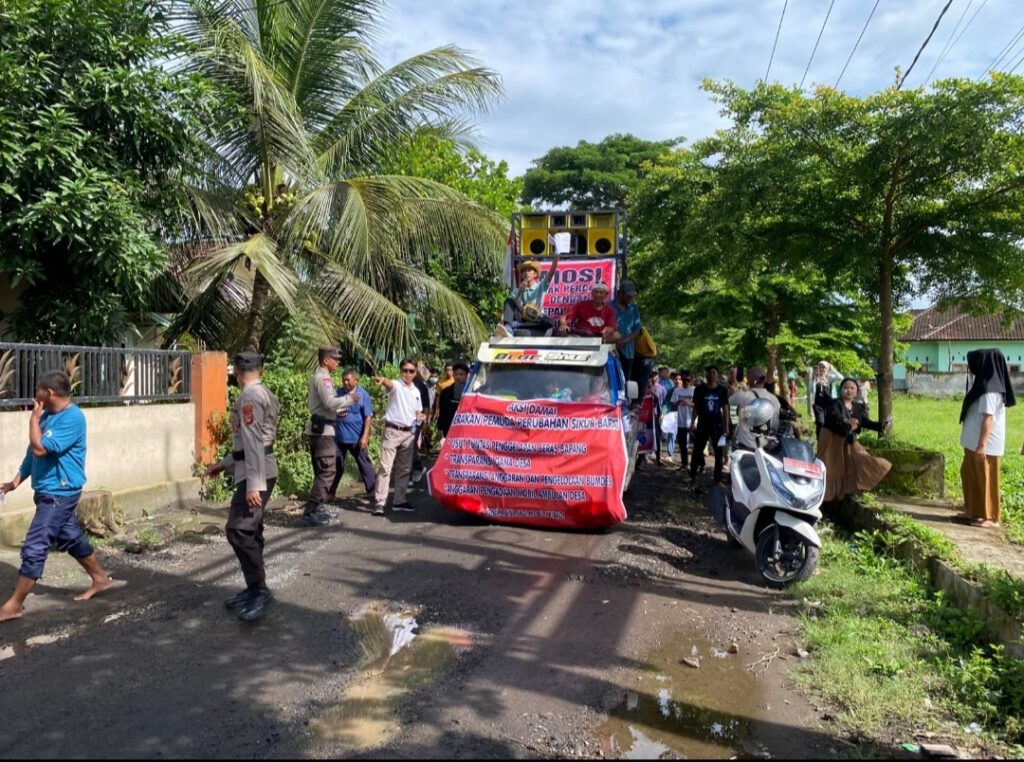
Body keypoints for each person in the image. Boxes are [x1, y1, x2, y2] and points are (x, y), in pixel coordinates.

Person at [0, 370, 115, 623]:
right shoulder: (48, 416)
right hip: (47, 493)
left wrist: (31, 418)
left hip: (59, 494)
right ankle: (101, 579)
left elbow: (41, 449)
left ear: (49, 393)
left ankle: (14, 605)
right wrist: (14, 482)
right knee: (71, 538)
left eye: (38, 390)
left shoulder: (72, 418)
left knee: (35, 545)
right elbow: (32, 454)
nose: (35, 395)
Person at [206, 352, 279, 622]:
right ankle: (253, 588)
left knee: (239, 530)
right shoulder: (262, 393)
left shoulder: (249, 398)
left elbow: (254, 444)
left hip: (255, 473)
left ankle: (259, 590)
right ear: (260, 369)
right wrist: (224, 464)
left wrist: (253, 485)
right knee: (251, 529)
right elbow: (249, 443)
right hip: (256, 469)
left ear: (235, 371)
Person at [956, 349, 1017, 527]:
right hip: (973, 443)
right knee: (970, 476)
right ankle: (973, 511)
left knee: (985, 479)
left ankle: (990, 517)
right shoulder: (983, 386)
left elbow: (988, 418)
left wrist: (982, 445)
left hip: (984, 445)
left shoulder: (990, 390)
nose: (970, 366)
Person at [305, 348, 359, 526]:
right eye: (335, 359)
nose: (338, 362)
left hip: (322, 428)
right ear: (326, 360)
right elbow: (329, 402)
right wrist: (350, 399)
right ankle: (310, 511)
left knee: (322, 470)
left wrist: (337, 412)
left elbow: (325, 405)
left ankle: (317, 508)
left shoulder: (321, 376)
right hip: (323, 432)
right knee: (328, 471)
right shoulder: (323, 378)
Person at [818, 378, 892, 502]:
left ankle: (842, 493)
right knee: (830, 466)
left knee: (855, 459)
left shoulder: (858, 407)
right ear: (841, 390)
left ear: (856, 391)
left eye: (852, 388)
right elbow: (833, 416)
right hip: (831, 438)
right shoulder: (835, 403)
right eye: (846, 388)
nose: (849, 390)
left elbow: (865, 422)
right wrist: (846, 421)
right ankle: (823, 497)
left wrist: (880, 426)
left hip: (847, 438)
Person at [373, 360, 425, 516]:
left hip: (409, 433)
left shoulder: (416, 391)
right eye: (405, 370)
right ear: (400, 371)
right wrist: (382, 380)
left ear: (415, 373)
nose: (408, 374)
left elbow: (418, 412)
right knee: (385, 467)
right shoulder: (396, 385)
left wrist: (421, 416)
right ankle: (380, 502)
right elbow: (389, 384)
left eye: (411, 371)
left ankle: (399, 500)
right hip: (393, 431)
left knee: (404, 469)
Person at [327, 369, 377, 503]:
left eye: (348, 380)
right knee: (336, 465)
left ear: (356, 380)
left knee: (364, 464)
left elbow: (368, 417)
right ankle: (330, 493)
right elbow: (331, 409)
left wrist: (365, 436)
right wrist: (337, 413)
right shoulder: (339, 393)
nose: (345, 382)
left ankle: (372, 491)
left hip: (357, 438)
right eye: (344, 380)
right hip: (339, 438)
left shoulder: (363, 394)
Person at [498, 253, 560, 337]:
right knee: (509, 301)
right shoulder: (517, 291)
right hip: (523, 320)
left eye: (529, 270)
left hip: (537, 320)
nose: (526, 273)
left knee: (548, 322)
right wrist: (520, 291)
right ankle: (509, 328)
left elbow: (551, 272)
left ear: (535, 274)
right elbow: (517, 306)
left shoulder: (541, 287)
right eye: (524, 271)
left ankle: (513, 326)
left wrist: (557, 255)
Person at [689, 365, 731, 485]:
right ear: (706, 375)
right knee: (697, 450)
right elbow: (696, 408)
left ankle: (717, 479)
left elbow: (725, 408)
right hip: (702, 423)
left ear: (717, 375)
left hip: (717, 424)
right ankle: (692, 476)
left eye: (713, 373)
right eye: (709, 373)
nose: (711, 375)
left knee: (718, 453)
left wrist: (726, 426)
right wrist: (692, 423)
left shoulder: (722, 390)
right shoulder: (699, 389)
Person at [729, 367, 782, 451]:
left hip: (746, 446)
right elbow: (775, 424)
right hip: (766, 447)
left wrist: (731, 391)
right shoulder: (774, 399)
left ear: (750, 380)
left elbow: (729, 401)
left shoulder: (743, 396)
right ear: (764, 380)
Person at [612, 278, 644, 391]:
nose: (630, 298)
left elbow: (638, 329)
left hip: (628, 352)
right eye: (628, 295)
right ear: (620, 293)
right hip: (611, 350)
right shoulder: (608, 306)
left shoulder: (633, 308)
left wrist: (625, 340)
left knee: (624, 380)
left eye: (632, 296)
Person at [437, 362, 470, 439]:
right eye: (456, 374)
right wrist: (440, 428)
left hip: (466, 430)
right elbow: (442, 412)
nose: (458, 377)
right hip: (449, 430)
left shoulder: (472, 393)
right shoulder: (445, 392)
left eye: (461, 374)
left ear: (466, 376)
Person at [671, 371, 695, 467]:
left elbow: (699, 405)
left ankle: (700, 465)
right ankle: (684, 464)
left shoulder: (695, 390)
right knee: (682, 444)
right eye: (683, 380)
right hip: (681, 421)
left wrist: (689, 403)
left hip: (692, 421)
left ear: (691, 380)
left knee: (697, 445)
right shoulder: (677, 390)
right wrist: (678, 402)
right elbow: (673, 402)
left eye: (688, 380)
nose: (685, 382)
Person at [812, 361, 842, 437]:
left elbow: (841, 378)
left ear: (827, 369)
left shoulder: (830, 378)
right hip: (818, 405)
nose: (821, 369)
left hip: (829, 404)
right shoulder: (815, 378)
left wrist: (833, 369)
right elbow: (811, 390)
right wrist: (814, 379)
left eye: (823, 367)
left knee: (828, 423)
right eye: (820, 367)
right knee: (820, 422)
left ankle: (827, 438)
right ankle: (819, 438)